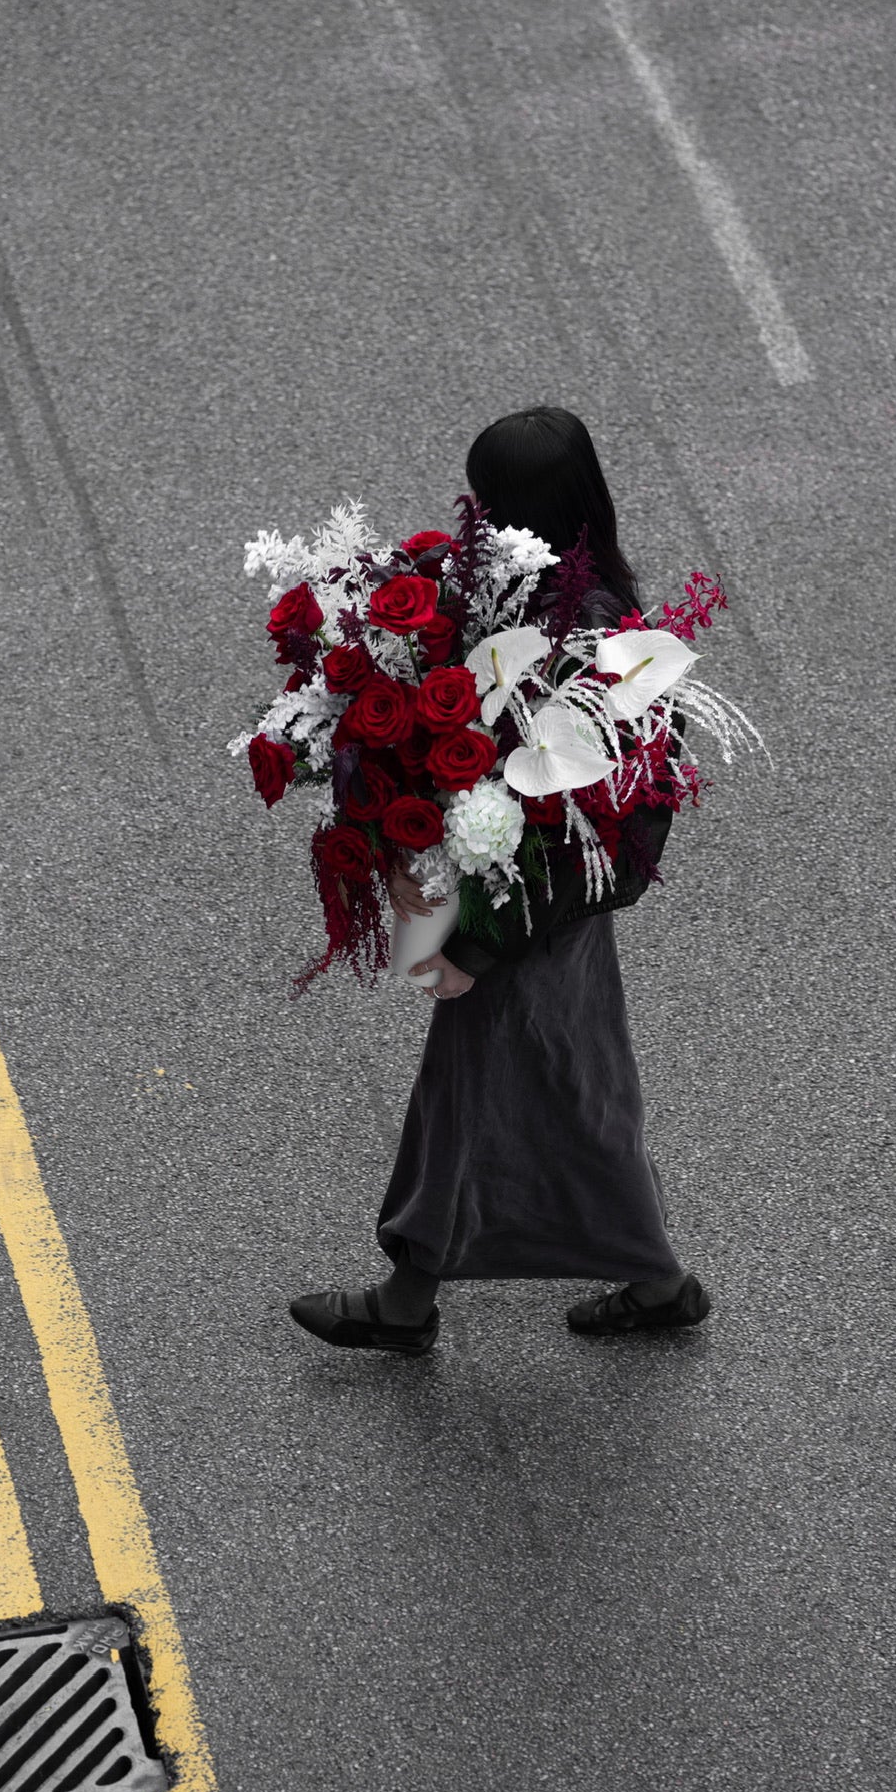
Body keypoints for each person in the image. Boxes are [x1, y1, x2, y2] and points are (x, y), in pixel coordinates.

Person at [290, 406, 711, 1353]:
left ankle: (410, 1299)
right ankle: (655, 1282)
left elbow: (582, 829)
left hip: (528, 919)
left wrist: (474, 946)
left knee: (475, 1090)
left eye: (488, 501)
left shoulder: (586, 637)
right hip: (548, 916)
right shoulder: (569, 598)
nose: (474, 517)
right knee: (574, 1090)